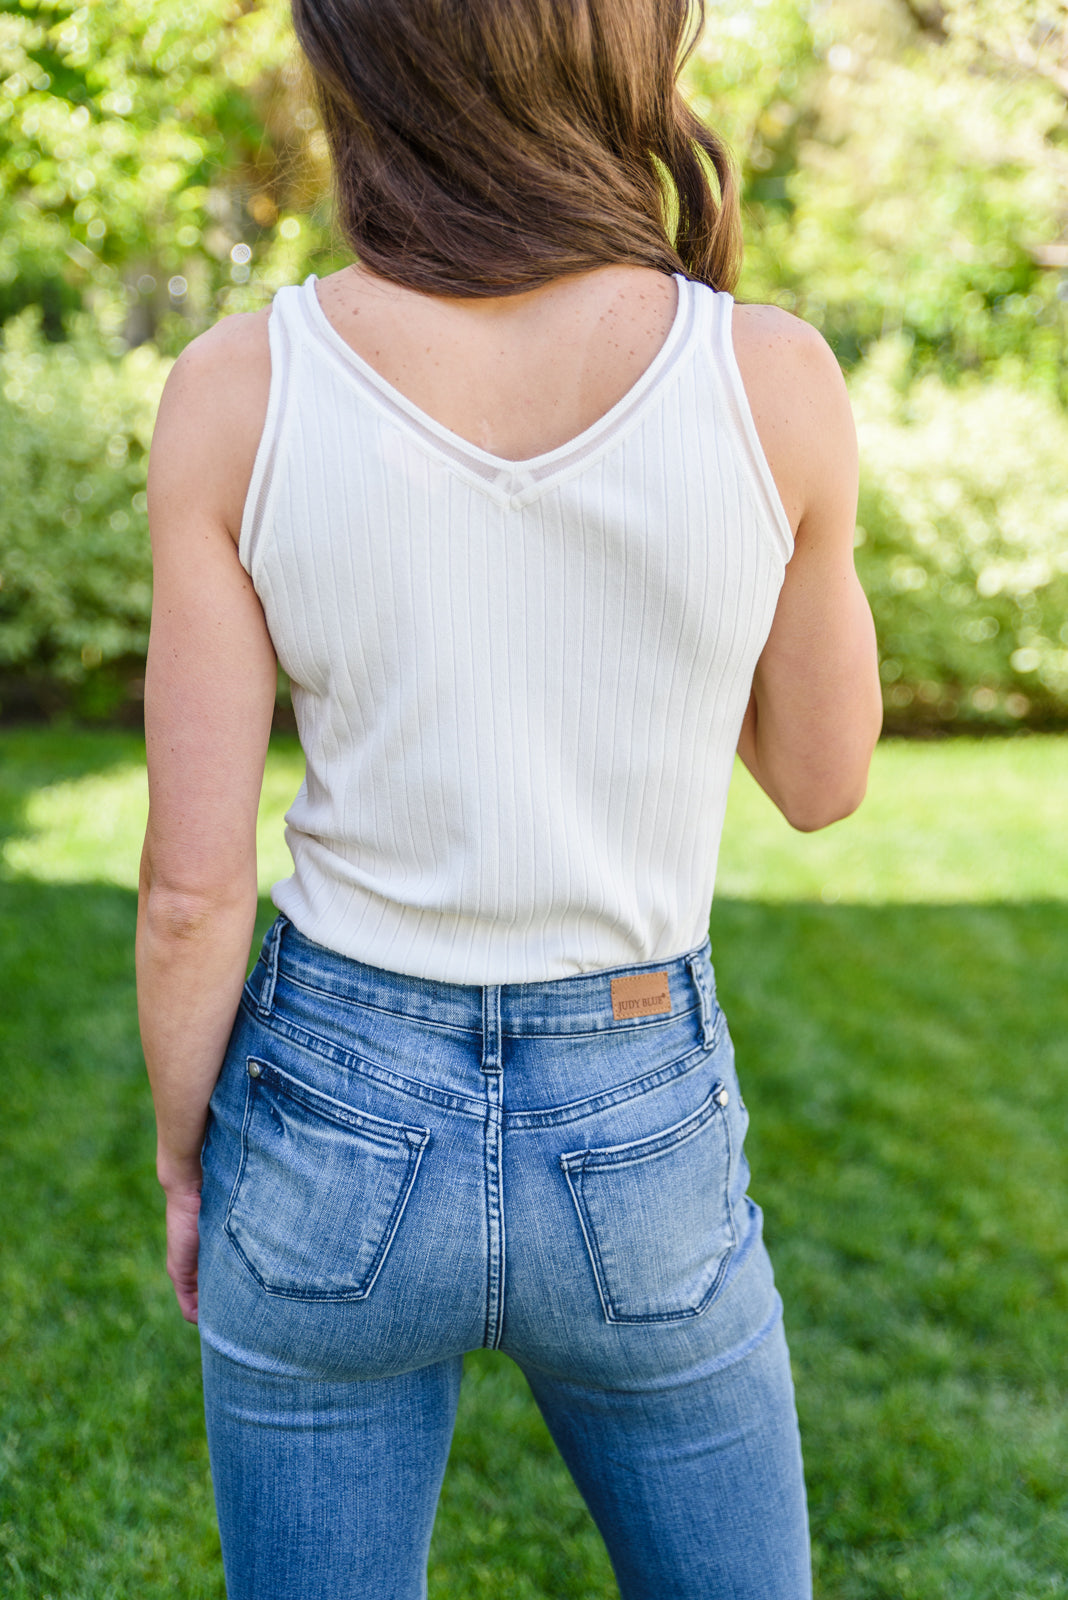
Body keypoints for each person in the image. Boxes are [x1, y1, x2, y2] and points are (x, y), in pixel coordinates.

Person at [135, 1, 882, 1595]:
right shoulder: (773, 377)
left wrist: (190, 1159)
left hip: (329, 1105)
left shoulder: (235, 387)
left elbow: (188, 892)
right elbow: (825, 779)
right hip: (638, 1108)